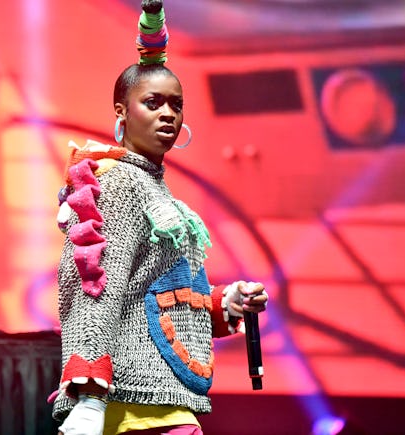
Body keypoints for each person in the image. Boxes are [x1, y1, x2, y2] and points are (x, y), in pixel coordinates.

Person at [51, 1, 268, 434]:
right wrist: (89, 396)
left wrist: (226, 302)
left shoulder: (156, 190)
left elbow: (158, 293)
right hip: (130, 402)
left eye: (175, 104)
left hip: (166, 401)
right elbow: (96, 288)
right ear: (122, 111)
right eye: (153, 103)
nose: (168, 113)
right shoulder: (120, 185)